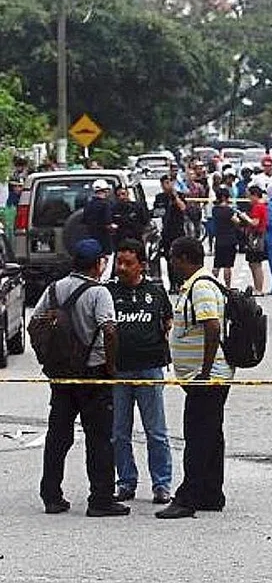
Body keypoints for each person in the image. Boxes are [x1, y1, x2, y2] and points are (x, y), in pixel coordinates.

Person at [35, 239, 128, 517]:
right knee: (99, 437)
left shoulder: (55, 289)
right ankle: (100, 499)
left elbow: (35, 323)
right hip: (93, 372)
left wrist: (48, 357)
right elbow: (109, 330)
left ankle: (52, 496)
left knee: (58, 436)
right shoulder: (99, 293)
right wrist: (111, 367)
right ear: (98, 263)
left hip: (62, 374)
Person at [156, 237, 233, 519]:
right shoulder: (202, 283)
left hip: (208, 379)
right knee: (212, 435)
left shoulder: (200, 287)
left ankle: (187, 498)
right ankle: (211, 493)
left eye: (174, 258)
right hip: (209, 377)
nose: (172, 264)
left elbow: (212, 327)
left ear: (185, 258)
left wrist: (203, 370)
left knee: (198, 436)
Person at [107, 239, 174, 505]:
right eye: (118, 262)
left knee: (156, 431)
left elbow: (167, 322)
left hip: (150, 370)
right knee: (119, 432)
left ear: (142, 265)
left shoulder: (156, 292)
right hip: (118, 372)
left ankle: (161, 484)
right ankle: (126, 482)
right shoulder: (108, 292)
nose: (122, 268)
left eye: (128, 263)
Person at [154, 175, 187, 293]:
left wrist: (175, 196)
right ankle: (172, 284)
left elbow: (183, 208)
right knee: (169, 259)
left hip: (178, 232)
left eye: (170, 182)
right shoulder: (160, 197)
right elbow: (157, 213)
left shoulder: (180, 195)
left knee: (180, 258)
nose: (168, 185)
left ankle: (180, 283)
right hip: (166, 233)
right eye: (165, 183)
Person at [83, 179, 116, 278]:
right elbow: (108, 223)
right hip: (104, 239)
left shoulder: (89, 204)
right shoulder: (106, 204)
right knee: (107, 261)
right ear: (105, 191)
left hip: (91, 237)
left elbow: (85, 220)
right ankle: (102, 280)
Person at [240, 185, 268, 296]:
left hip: (256, 236)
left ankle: (259, 288)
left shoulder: (258, 207)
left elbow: (254, 222)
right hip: (258, 235)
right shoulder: (262, 206)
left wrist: (244, 217)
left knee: (256, 264)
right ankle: (257, 287)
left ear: (255, 195)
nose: (249, 200)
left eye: (250, 197)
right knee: (253, 263)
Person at [211, 187, 241, 287]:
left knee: (217, 264)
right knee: (227, 265)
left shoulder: (215, 209)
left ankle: (213, 284)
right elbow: (236, 221)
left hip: (219, 239)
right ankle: (228, 286)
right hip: (230, 239)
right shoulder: (228, 210)